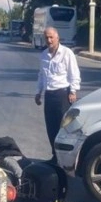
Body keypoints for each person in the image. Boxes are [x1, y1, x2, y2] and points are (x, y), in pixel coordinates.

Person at [35, 26, 81, 161]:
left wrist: (73, 91)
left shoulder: (67, 53)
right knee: (51, 128)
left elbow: (74, 73)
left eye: (51, 37)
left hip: (63, 95)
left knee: (64, 127)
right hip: (49, 95)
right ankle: (55, 157)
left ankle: (67, 158)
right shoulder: (44, 55)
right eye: (46, 38)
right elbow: (41, 75)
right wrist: (38, 92)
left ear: (57, 38)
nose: (49, 40)